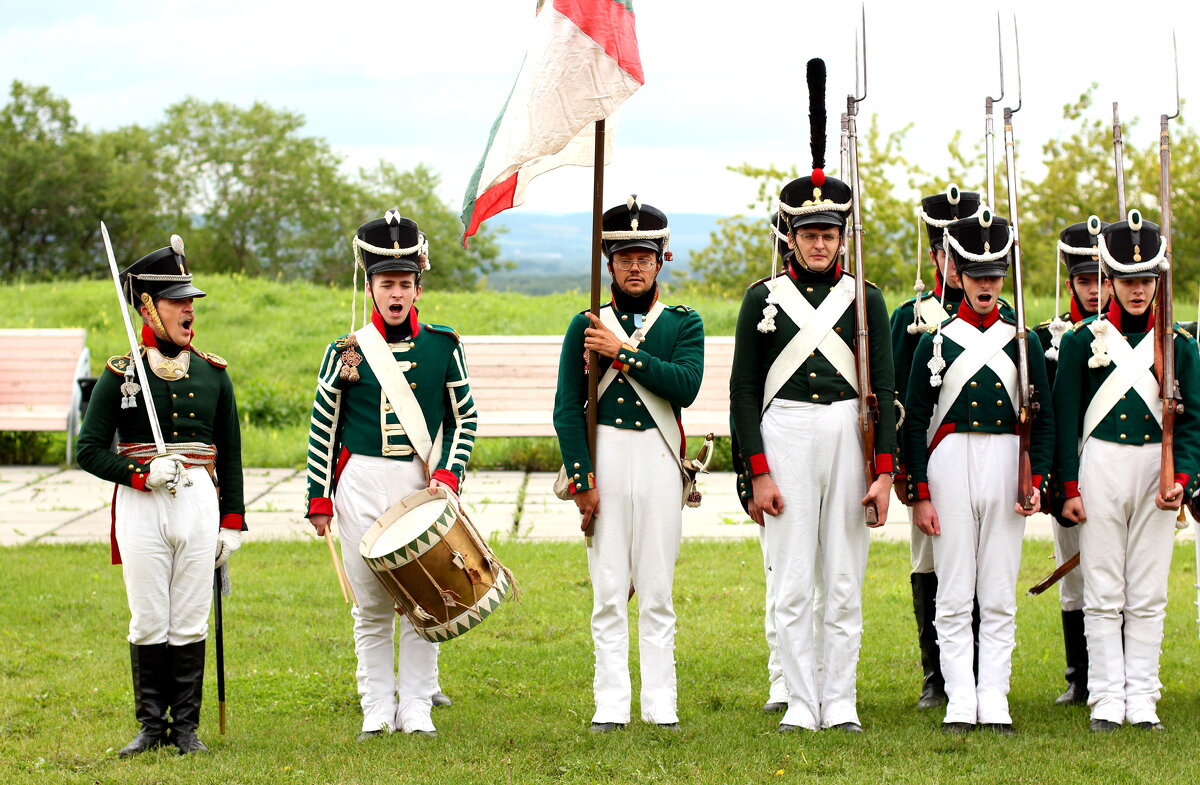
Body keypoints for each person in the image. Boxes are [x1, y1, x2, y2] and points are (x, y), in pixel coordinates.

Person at [730, 159, 897, 732]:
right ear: (792, 237)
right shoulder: (763, 299)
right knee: (795, 580)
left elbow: (883, 390)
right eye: (809, 234)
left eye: (829, 234)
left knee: (844, 580)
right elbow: (745, 392)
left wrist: (883, 474)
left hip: (848, 435)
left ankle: (841, 697)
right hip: (785, 434)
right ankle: (801, 701)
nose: (820, 244)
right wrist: (757, 472)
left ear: (841, 237)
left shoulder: (865, 299)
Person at [304, 210, 478, 740]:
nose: (396, 293)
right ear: (372, 287)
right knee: (372, 604)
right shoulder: (346, 350)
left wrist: (449, 474)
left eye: (405, 283)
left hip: (419, 485)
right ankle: (376, 707)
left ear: (418, 287)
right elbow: (323, 423)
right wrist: (319, 497)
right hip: (359, 483)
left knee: (425, 599)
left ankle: (418, 706)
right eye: (386, 283)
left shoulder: (443, 346)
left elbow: (464, 417)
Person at [76, 235, 245, 756]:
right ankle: (152, 727)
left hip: (198, 501)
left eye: (191, 300)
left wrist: (232, 523)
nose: (189, 309)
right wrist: (139, 473)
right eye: (177, 300)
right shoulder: (121, 375)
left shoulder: (214, 374)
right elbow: (87, 449)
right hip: (142, 504)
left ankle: (186, 728)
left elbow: (232, 454)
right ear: (148, 306)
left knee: (191, 614)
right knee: (149, 615)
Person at [553, 196, 704, 732]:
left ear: (662, 259)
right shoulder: (584, 325)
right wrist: (583, 481)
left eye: (644, 256)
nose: (634, 266)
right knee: (609, 590)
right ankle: (611, 704)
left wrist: (621, 352)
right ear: (608, 263)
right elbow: (567, 408)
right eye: (623, 257)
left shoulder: (684, 323)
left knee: (658, 591)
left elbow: (685, 386)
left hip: (661, 458)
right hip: (608, 457)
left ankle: (661, 704)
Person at [903, 210, 1053, 735]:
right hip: (949, 464)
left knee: (997, 590)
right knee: (954, 587)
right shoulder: (934, 341)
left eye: (995, 275)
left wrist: (1036, 481)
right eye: (977, 275)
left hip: (1008, 461)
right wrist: (919, 491)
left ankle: (995, 696)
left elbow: (1046, 419)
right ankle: (959, 698)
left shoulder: (1024, 341)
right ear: (959, 277)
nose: (987, 284)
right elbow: (916, 422)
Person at [1052, 212, 1200, 733]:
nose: (1138, 291)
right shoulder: (1079, 343)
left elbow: (1192, 423)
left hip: (1154, 473)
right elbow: (1065, 423)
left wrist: (1181, 478)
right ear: (1109, 280)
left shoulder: (1179, 346)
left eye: (1147, 281)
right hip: (1102, 468)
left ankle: (1142, 698)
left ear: (1157, 282)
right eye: (1128, 281)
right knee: (1103, 589)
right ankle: (1106, 699)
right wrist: (1067, 489)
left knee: (1148, 592)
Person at [890, 185, 980, 710]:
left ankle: (973, 669)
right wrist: (906, 469)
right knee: (928, 560)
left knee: (977, 561)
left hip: (980, 457)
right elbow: (901, 396)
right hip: (928, 460)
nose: (952, 263)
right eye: (944, 252)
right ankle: (937, 676)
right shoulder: (911, 315)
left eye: (961, 251)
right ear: (933, 256)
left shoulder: (1002, 311)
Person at [1032, 218, 1109, 706]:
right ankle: (1078, 676)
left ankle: (1116, 672)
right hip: (1071, 469)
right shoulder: (1050, 339)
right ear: (1071, 284)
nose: (1096, 290)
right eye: (1085, 281)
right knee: (1073, 573)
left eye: (1103, 279)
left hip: (1122, 463)